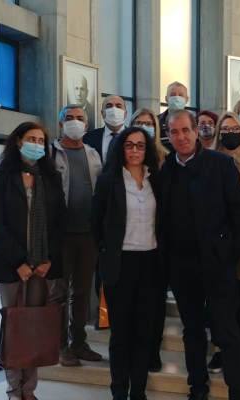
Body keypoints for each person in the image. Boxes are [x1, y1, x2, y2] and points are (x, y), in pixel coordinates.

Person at [160, 109, 240, 400]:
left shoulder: (220, 164)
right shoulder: (166, 170)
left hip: (217, 262)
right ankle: (197, 387)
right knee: (192, 330)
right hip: (181, 264)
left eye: (186, 130)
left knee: (226, 328)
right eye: (174, 132)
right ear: (168, 135)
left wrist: (230, 254)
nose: (181, 137)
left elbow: (239, 214)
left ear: (196, 131)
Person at [0, 122, 67, 400]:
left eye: (41, 141)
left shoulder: (51, 178)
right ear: (18, 142)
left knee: (34, 326)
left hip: (42, 265)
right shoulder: (2, 175)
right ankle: (13, 390)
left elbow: (61, 221)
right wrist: (18, 260)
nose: (37, 145)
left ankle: (29, 389)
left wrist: (48, 258)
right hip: (10, 265)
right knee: (14, 325)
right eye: (32, 139)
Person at [91, 127, 162, 400]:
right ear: (121, 148)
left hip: (151, 263)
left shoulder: (157, 180)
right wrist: (105, 249)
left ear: (147, 149)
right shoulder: (108, 181)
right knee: (120, 334)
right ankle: (119, 392)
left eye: (140, 145)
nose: (134, 150)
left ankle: (139, 393)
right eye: (129, 145)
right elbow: (95, 222)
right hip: (120, 264)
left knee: (144, 334)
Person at [49, 105, 104, 367]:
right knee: (58, 293)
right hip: (61, 236)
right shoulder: (51, 153)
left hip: (88, 234)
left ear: (87, 125)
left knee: (82, 293)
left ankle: (78, 342)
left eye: (79, 119)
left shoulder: (93, 154)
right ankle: (60, 347)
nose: (74, 122)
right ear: (61, 124)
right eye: (69, 118)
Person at [206, 111, 240, 375]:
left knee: (239, 297)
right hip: (215, 240)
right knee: (216, 298)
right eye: (225, 129)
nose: (230, 134)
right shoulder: (208, 160)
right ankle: (218, 348)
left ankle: (237, 347)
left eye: (235, 129)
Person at [129, 109, 169, 372]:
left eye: (149, 123)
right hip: (129, 247)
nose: (145, 127)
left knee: (156, 304)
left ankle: (153, 351)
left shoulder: (166, 161)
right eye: (139, 123)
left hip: (158, 246)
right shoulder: (121, 166)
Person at [83, 94, 127, 163]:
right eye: (109, 106)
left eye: (118, 106)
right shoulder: (88, 137)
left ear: (125, 113)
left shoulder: (134, 137)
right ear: (102, 113)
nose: (114, 110)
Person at [158, 81, 190, 147]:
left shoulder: (193, 121)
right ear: (166, 99)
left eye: (181, 95)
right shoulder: (156, 121)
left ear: (187, 100)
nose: (177, 98)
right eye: (173, 94)